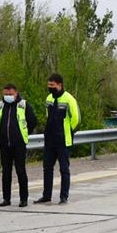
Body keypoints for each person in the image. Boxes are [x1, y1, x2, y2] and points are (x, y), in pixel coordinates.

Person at [36, 73, 79, 205]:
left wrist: (68, 133)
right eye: (49, 85)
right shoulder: (49, 98)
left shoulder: (69, 99)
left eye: (52, 85)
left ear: (60, 85)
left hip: (63, 140)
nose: (50, 87)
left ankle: (63, 196)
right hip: (50, 140)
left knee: (64, 169)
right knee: (47, 168)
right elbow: (47, 115)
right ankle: (46, 195)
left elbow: (76, 120)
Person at [0, 82, 38, 207]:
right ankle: (6, 199)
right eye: (5, 94)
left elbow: (33, 121)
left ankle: (23, 199)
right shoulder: (0, 105)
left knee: (20, 171)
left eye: (10, 94)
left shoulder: (23, 105)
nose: (7, 96)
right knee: (6, 172)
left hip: (19, 144)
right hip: (4, 144)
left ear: (16, 93)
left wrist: (23, 134)